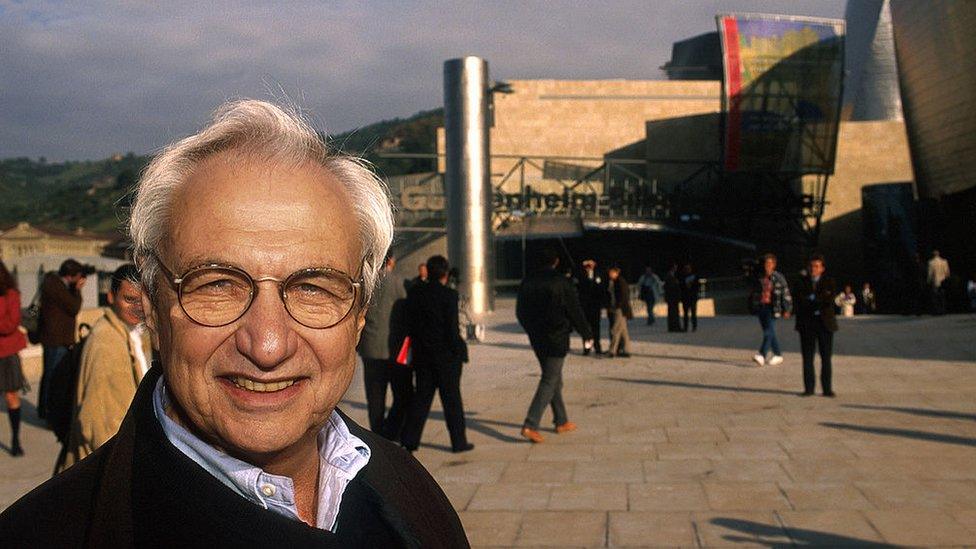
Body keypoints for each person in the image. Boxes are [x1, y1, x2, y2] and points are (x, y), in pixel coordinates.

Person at [0, 100, 467, 547]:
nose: (266, 345)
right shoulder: (42, 533)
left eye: (313, 288)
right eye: (217, 285)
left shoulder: (409, 490)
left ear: (359, 315)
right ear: (152, 307)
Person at [59, 264, 151, 471]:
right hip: (107, 467)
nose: (138, 307)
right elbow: (100, 425)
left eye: (142, 299)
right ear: (111, 297)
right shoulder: (107, 343)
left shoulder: (130, 333)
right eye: (129, 299)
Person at [516, 249, 593, 443]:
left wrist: (531, 329)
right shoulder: (561, 282)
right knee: (549, 380)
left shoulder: (528, 281)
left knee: (554, 379)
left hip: (537, 338)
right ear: (556, 261)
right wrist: (587, 333)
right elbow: (574, 310)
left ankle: (561, 420)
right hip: (557, 338)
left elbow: (520, 312)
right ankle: (530, 424)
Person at [399, 255, 472, 454]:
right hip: (446, 357)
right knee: (452, 400)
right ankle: (459, 442)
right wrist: (459, 351)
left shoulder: (415, 293)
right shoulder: (449, 295)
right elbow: (451, 329)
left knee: (421, 399)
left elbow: (410, 324)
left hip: (423, 356)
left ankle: (409, 441)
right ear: (445, 274)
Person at [357, 254, 412, 442]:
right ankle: (393, 430)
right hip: (395, 349)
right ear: (392, 261)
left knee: (375, 397)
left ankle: (378, 435)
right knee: (402, 394)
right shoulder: (400, 282)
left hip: (370, 348)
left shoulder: (366, 284)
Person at [36, 259, 89, 419]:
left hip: (56, 339)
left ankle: (46, 410)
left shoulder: (54, 283)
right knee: (53, 377)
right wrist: (78, 290)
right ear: (71, 276)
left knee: (51, 376)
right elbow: (73, 307)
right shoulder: (56, 286)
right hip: (56, 340)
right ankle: (47, 411)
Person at [794, 254, 838, 397]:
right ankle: (809, 388)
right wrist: (816, 299)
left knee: (826, 358)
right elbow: (800, 301)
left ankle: (827, 389)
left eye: (817, 266)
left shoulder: (829, 281)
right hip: (807, 324)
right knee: (807, 358)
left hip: (825, 324)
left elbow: (828, 299)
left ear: (822, 268)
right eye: (812, 266)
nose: (814, 269)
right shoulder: (801, 281)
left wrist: (812, 298)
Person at [0, 261, 28, 457]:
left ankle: (15, 439)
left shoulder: (11, 294)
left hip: (7, 353)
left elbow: (11, 324)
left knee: (11, 396)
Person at [749, 253, 792, 366]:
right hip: (761, 306)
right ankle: (778, 354)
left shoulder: (778, 277)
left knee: (768, 331)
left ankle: (762, 355)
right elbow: (753, 291)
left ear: (774, 265)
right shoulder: (759, 277)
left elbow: (786, 293)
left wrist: (787, 308)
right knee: (769, 332)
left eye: (769, 263)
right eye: (765, 263)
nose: (767, 266)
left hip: (773, 307)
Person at [577, 259, 606, 354]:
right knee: (586, 328)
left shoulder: (598, 275)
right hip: (585, 306)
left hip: (595, 306)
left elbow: (602, 288)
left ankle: (597, 347)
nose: (589, 267)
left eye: (590, 265)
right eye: (587, 266)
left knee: (596, 328)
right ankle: (587, 347)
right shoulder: (581, 275)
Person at [606, 265, 632, 358]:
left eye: (611, 272)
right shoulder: (615, 282)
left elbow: (623, 296)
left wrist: (617, 306)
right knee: (623, 330)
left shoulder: (619, 282)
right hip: (621, 308)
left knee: (616, 329)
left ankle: (612, 350)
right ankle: (627, 349)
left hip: (620, 309)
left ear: (616, 273)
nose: (610, 274)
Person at [927, 250, 950, 315]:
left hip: (935, 281)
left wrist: (928, 281)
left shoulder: (931, 262)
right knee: (943, 297)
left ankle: (937, 310)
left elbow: (930, 273)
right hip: (943, 281)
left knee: (935, 297)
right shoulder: (944, 262)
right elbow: (947, 273)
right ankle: (943, 310)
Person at [680, 263, 699, 332]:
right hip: (686, 298)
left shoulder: (694, 277)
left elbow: (697, 287)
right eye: (686, 269)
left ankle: (694, 326)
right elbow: (681, 288)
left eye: (688, 269)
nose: (687, 270)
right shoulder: (682, 277)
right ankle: (686, 327)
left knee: (693, 313)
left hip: (692, 297)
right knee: (685, 314)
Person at [664, 263, 682, 332]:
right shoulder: (670, 276)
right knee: (674, 313)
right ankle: (675, 327)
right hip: (672, 298)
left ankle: (672, 327)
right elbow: (670, 287)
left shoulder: (670, 276)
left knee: (672, 313)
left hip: (671, 298)